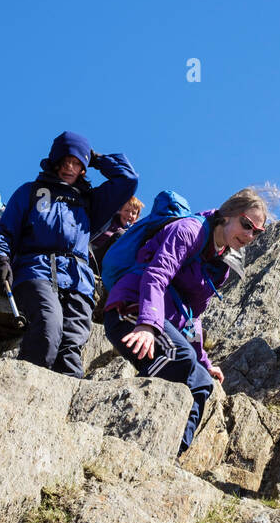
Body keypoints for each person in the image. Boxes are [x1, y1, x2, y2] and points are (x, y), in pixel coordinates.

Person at [103, 188, 269, 455]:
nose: (250, 235)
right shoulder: (188, 230)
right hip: (130, 308)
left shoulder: (220, 267)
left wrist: (204, 361)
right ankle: (125, 431)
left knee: (201, 382)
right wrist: (147, 324)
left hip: (162, 323)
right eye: (246, 225)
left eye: (257, 232)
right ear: (226, 215)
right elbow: (156, 276)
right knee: (179, 359)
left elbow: (193, 317)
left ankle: (171, 452)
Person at [0, 132, 138, 378]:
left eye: (77, 162)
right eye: (65, 160)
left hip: (78, 280)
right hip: (35, 270)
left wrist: (94, 157)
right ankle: (24, 392)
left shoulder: (91, 201)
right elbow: (3, 230)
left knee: (70, 350)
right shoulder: (30, 192)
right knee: (47, 327)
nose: (70, 167)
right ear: (54, 162)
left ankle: (56, 407)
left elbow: (127, 179)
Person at [91, 195, 144, 269]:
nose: (129, 215)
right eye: (126, 210)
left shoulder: (134, 231)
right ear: (119, 211)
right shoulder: (109, 222)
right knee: (120, 235)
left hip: (114, 262)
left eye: (134, 213)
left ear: (136, 217)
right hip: (95, 255)